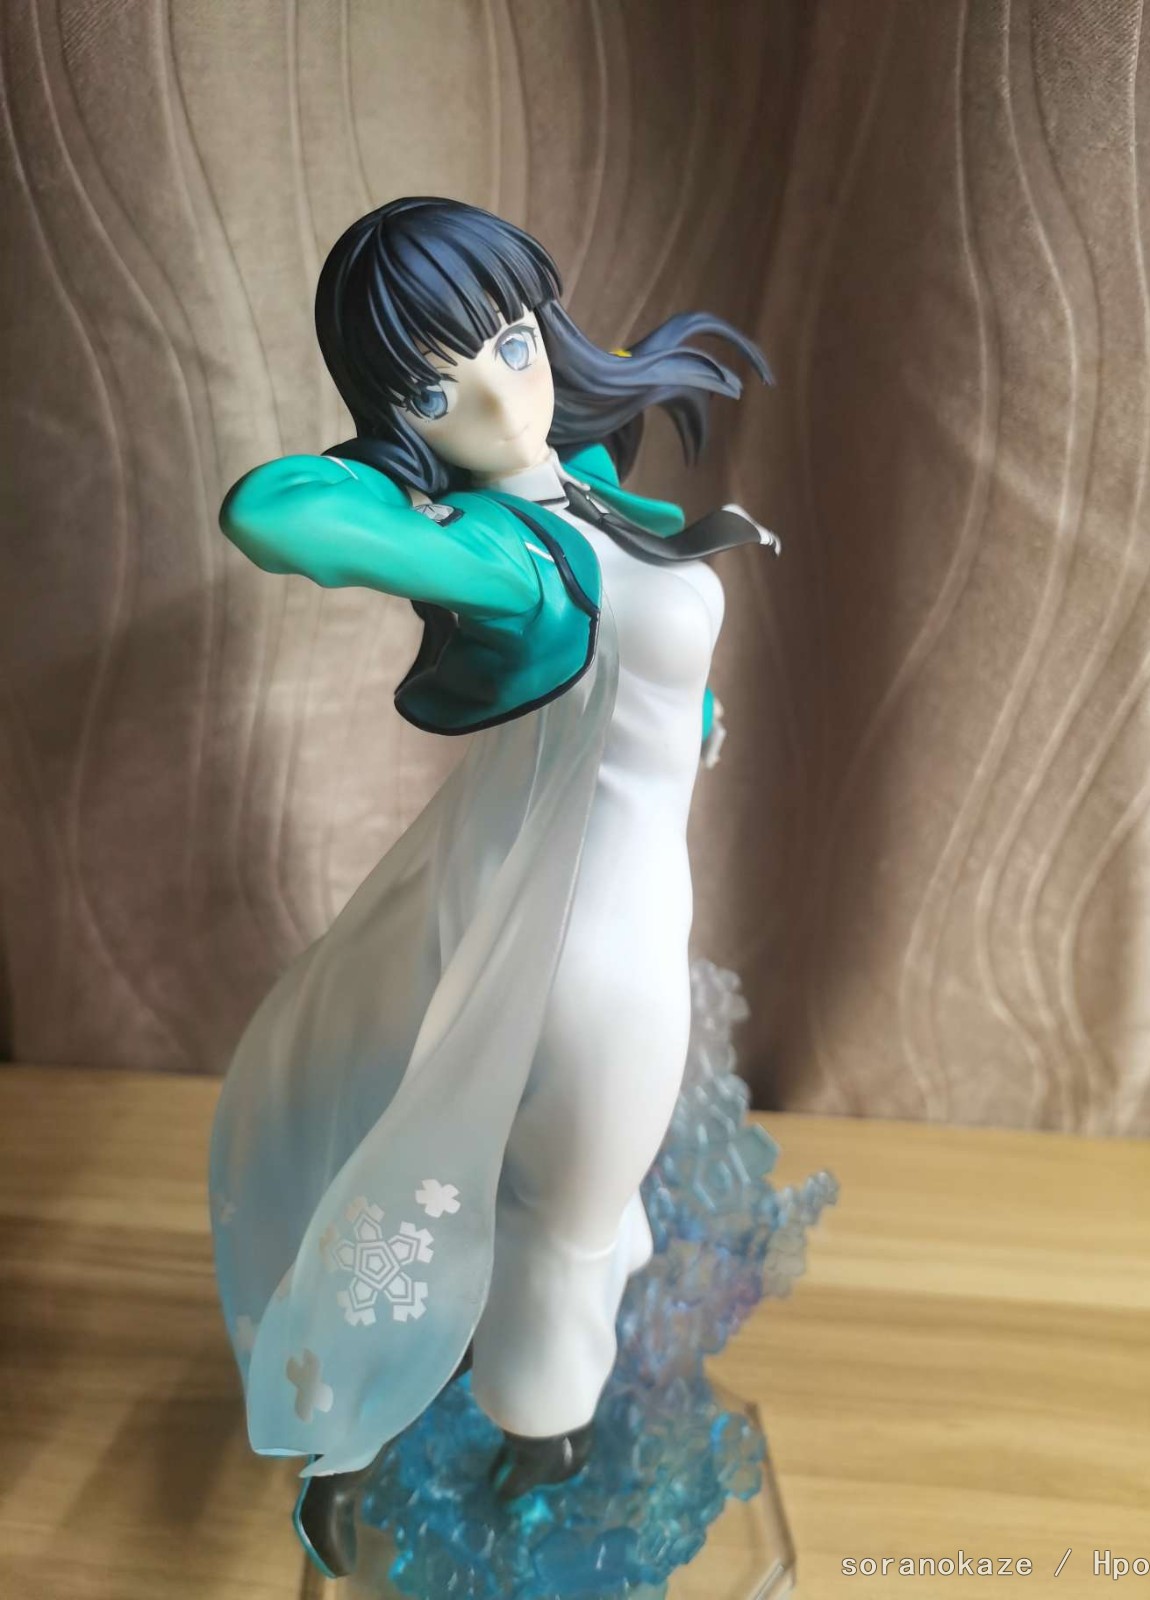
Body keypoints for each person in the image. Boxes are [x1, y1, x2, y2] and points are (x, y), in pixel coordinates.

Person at [208, 196, 776, 1576]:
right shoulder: (505, 552)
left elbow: (650, 657)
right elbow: (270, 511)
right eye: (434, 387)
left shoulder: (585, 487)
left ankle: (445, 1409)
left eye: (511, 343)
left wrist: (693, 723)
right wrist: (393, 474)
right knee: (566, 1225)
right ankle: (541, 1451)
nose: (500, 398)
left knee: (527, 1192)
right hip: (589, 950)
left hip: (599, 902)